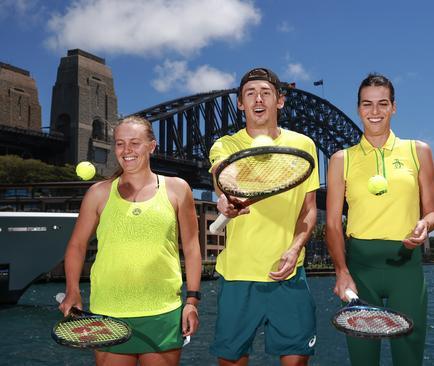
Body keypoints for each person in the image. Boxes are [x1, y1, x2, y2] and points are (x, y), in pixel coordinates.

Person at [59, 116, 202, 366]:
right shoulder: (98, 193)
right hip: (108, 313)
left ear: (152, 146)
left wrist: (191, 301)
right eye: (120, 144)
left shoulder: (178, 189)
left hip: (163, 313)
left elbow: (191, 248)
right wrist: (72, 290)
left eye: (135, 143)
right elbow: (76, 245)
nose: (127, 151)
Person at [208, 67, 319, 366]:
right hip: (238, 275)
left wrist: (296, 247)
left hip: (289, 272)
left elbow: (309, 209)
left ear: (279, 101)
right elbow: (220, 177)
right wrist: (225, 200)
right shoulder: (226, 145)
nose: (258, 99)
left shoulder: (304, 145)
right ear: (241, 104)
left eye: (266, 93)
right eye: (250, 94)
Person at [325, 73, 434, 366]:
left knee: (409, 359)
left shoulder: (419, 151)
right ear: (358, 108)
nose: (374, 112)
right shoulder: (341, 159)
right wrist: (341, 271)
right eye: (367, 104)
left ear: (394, 108)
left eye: (382, 104)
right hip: (361, 271)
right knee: (362, 361)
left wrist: (425, 225)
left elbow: (432, 213)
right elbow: (333, 224)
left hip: (407, 268)